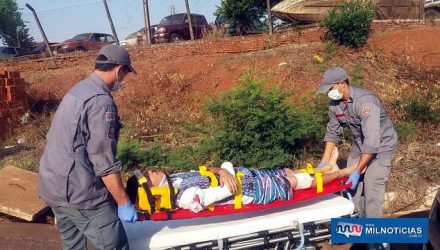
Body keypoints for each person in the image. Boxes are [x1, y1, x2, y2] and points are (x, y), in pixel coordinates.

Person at [38, 44, 138, 250]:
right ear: (119, 69)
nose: (124, 79)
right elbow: (104, 161)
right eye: (126, 73)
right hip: (80, 193)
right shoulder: (101, 103)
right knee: (115, 245)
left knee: (73, 245)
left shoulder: (79, 90)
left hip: (53, 186)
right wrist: (123, 202)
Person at [143, 147, 354, 213]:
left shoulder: (176, 179)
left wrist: (222, 171)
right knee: (296, 181)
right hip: (253, 191)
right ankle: (341, 173)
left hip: (248, 176)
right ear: (153, 189)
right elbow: (227, 190)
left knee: (287, 171)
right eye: (149, 175)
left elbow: (206, 169)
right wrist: (225, 169)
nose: (152, 171)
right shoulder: (186, 197)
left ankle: (327, 167)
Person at [316, 66, 398, 221]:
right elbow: (332, 132)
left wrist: (357, 170)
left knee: (372, 188)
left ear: (341, 83)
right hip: (361, 144)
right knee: (350, 189)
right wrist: (324, 162)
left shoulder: (365, 103)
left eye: (330, 88)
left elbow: (372, 141)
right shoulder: (335, 104)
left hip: (382, 145)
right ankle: (355, 227)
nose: (328, 93)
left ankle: (377, 241)